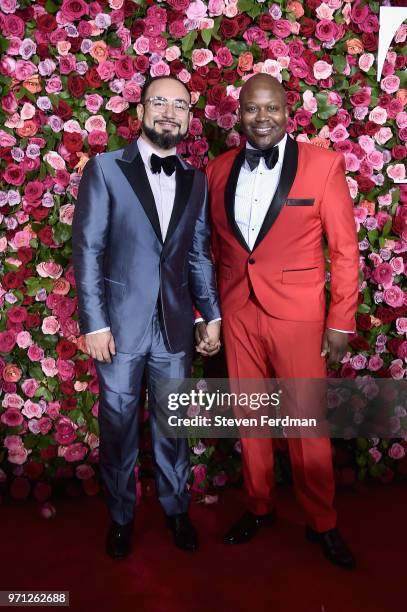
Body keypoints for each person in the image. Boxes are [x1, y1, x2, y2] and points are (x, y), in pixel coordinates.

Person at [197, 73, 359, 569]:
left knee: (305, 423)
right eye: (251, 109)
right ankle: (259, 505)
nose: (260, 118)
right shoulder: (217, 170)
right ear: (239, 115)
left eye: (270, 108)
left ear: (288, 111)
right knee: (250, 419)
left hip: (299, 317)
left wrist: (341, 323)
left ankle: (322, 521)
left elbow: (346, 252)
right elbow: (210, 249)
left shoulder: (323, 166)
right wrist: (212, 314)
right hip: (239, 312)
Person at [72, 76, 221, 559]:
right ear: (140, 110)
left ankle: (177, 510)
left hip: (175, 326)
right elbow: (89, 249)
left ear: (189, 117)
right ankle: (121, 517)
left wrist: (209, 314)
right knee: (118, 426)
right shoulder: (106, 169)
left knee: (172, 422)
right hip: (117, 327)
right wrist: (94, 324)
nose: (169, 112)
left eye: (179, 105)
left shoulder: (196, 180)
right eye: (160, 101)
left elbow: (198, 255)